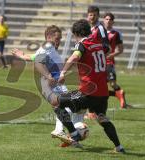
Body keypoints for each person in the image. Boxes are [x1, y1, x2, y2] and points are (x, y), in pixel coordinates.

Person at [56, 19, 125, 153]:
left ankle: (74, 134)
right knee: (102, 118)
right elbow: (106, 50)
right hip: (102, 93)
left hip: (87, 92)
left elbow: (74, 57)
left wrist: (63, 73)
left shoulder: (82, 44)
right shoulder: (98, 44)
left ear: (76, 33)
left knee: (56, 103)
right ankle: (119, 147)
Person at [11, 25, 86, 147]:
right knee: (70, 106)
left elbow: (35, 57)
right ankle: (62, 131)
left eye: (60, 39)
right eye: (57, 39)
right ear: (48, 37)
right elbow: (38, 60)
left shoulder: (49, 48)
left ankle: (72, 138)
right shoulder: (47, 47)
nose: (59, 41)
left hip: (56, 83)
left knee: (73, 107)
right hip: (54, 83)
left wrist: (23, 55)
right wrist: (49, 76)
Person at [103, 12, 131, 109]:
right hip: (98, 62)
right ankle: (118, 94)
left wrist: (110, 56)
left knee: (112, 83)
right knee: (101, 86)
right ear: (103, 20)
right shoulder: (98, 32)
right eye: (106, 19)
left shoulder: (116, 33)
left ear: (113, 22)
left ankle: (121, 98)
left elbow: (120, 50)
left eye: (110, 20)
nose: (108, 21)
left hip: (109, 62)